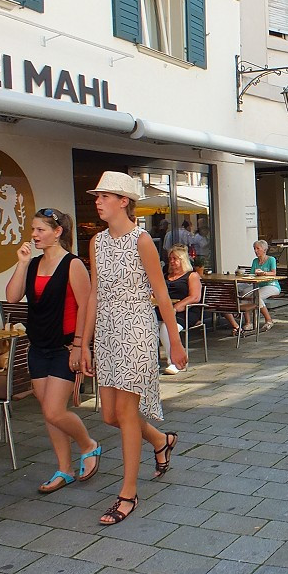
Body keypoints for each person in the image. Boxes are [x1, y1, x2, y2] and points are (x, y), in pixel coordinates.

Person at [82, 172, 185, 526]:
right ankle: (160, 439)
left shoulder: (141, 240)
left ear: (124, 201)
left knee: (125, 414)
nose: (97, 201)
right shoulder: (96, 243)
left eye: (104, 195)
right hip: (108, 334)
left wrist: (174, 340)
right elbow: (94, 293)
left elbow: (161, 293)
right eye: (97, 196)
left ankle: (127, 493)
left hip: (136, 331)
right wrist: (84, 343)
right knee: (110, 415)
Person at [6, 208, 99, 494]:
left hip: (64, 347)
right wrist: (21, 264)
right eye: (33, 230)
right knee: (49, 413)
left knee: (54, 410)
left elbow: (86, 305)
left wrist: (79, 345)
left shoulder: (72, 264)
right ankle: (64, 468)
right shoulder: (33, 264)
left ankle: (89, 445)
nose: (33, 235)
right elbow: (11, 297)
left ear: (57, 232)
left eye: (40, 230)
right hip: (38, 347)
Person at [159, 245, 202, 375]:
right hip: (164, 309)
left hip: (186, 311)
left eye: (175, 259)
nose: (171, 261)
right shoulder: (165, 276)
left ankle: (175, 361)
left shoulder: (191, 275)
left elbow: (195, 297)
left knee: (166, 327)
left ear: (182, 260)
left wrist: (177, 307)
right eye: (170, 258)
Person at [238, 240, 280, 332]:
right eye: (254, 249)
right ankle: (248, 323)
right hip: (258, 285)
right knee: (244, 294)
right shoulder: (255, 261)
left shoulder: (271, 259)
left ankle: (269, 320)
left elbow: (274, 273)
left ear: (264, 250)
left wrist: (263, 273)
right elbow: (252, 274)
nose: (255, 251)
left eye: (258, 248)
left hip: (272, 285)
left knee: (257, 296)